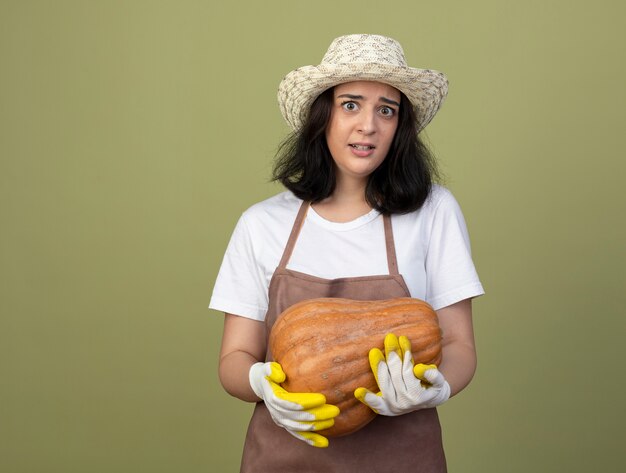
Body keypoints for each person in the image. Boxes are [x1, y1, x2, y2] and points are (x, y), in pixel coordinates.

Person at [210, 34, 484, 472]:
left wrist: (438, 388)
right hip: (285, 459)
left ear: (400, 126)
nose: (368, 126)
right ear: (323, 116)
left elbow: (459, 344)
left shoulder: (434, 211)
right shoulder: (262, 224)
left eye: (386, 110)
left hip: (403, 458)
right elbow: (233, 359)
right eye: (351, 104)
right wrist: (260, 384)